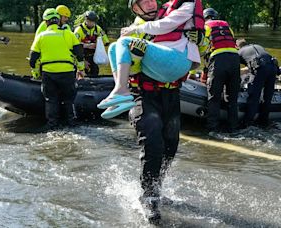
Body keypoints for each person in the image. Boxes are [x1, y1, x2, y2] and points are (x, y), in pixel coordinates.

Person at [101, 0, 202, 223]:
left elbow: (192, 63)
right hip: (144, 95)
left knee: (170, 147)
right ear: (136, 9)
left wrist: (198, 42)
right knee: (153, 144)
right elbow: (123, 55)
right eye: (143, 2)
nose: (150, 3)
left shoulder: (173, 21)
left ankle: (157, 187)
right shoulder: (135, 29)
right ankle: (149, 199)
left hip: (172, 94)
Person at [29, 8, 85, 129]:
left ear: (46, 22)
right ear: (58, 20)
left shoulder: (41, 36)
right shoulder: (68, 34)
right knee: (69, 99)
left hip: (49, 73)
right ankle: (71, 123)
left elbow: (33, 58)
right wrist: (81, 69)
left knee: (51, 100)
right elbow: (79, 54)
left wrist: (35, 73)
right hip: (67, 72)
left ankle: (52, 125)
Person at [201, 8, 240, 132]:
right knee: (232, 99)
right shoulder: (227, 26)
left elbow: (201, 49)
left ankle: (212, 129)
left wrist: (192, 72)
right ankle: (233, 127)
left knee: (214, 97)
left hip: (218, 60)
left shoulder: (205, 27)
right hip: (235, 60)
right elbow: (232, 42)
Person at [236, 38, 280, 127]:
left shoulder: (239, 52)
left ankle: (247, 123)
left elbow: (234, 69)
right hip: (273, 67)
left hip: (260, 69)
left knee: (254, 96)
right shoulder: (257, 46)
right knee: (268, 96)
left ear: (237, 46)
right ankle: (264, 121)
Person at [74, 11, 110, 77]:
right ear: (86, 20)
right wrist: (87, 46)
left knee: (95, 71)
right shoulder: (79, 30)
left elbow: (106, 42)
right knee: (81, 73)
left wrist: (98, 44)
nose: (92, 23)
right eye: (90, 21)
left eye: (93, 21)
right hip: (81, 56)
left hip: (93, 57)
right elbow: (74, 46)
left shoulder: (98, 29)